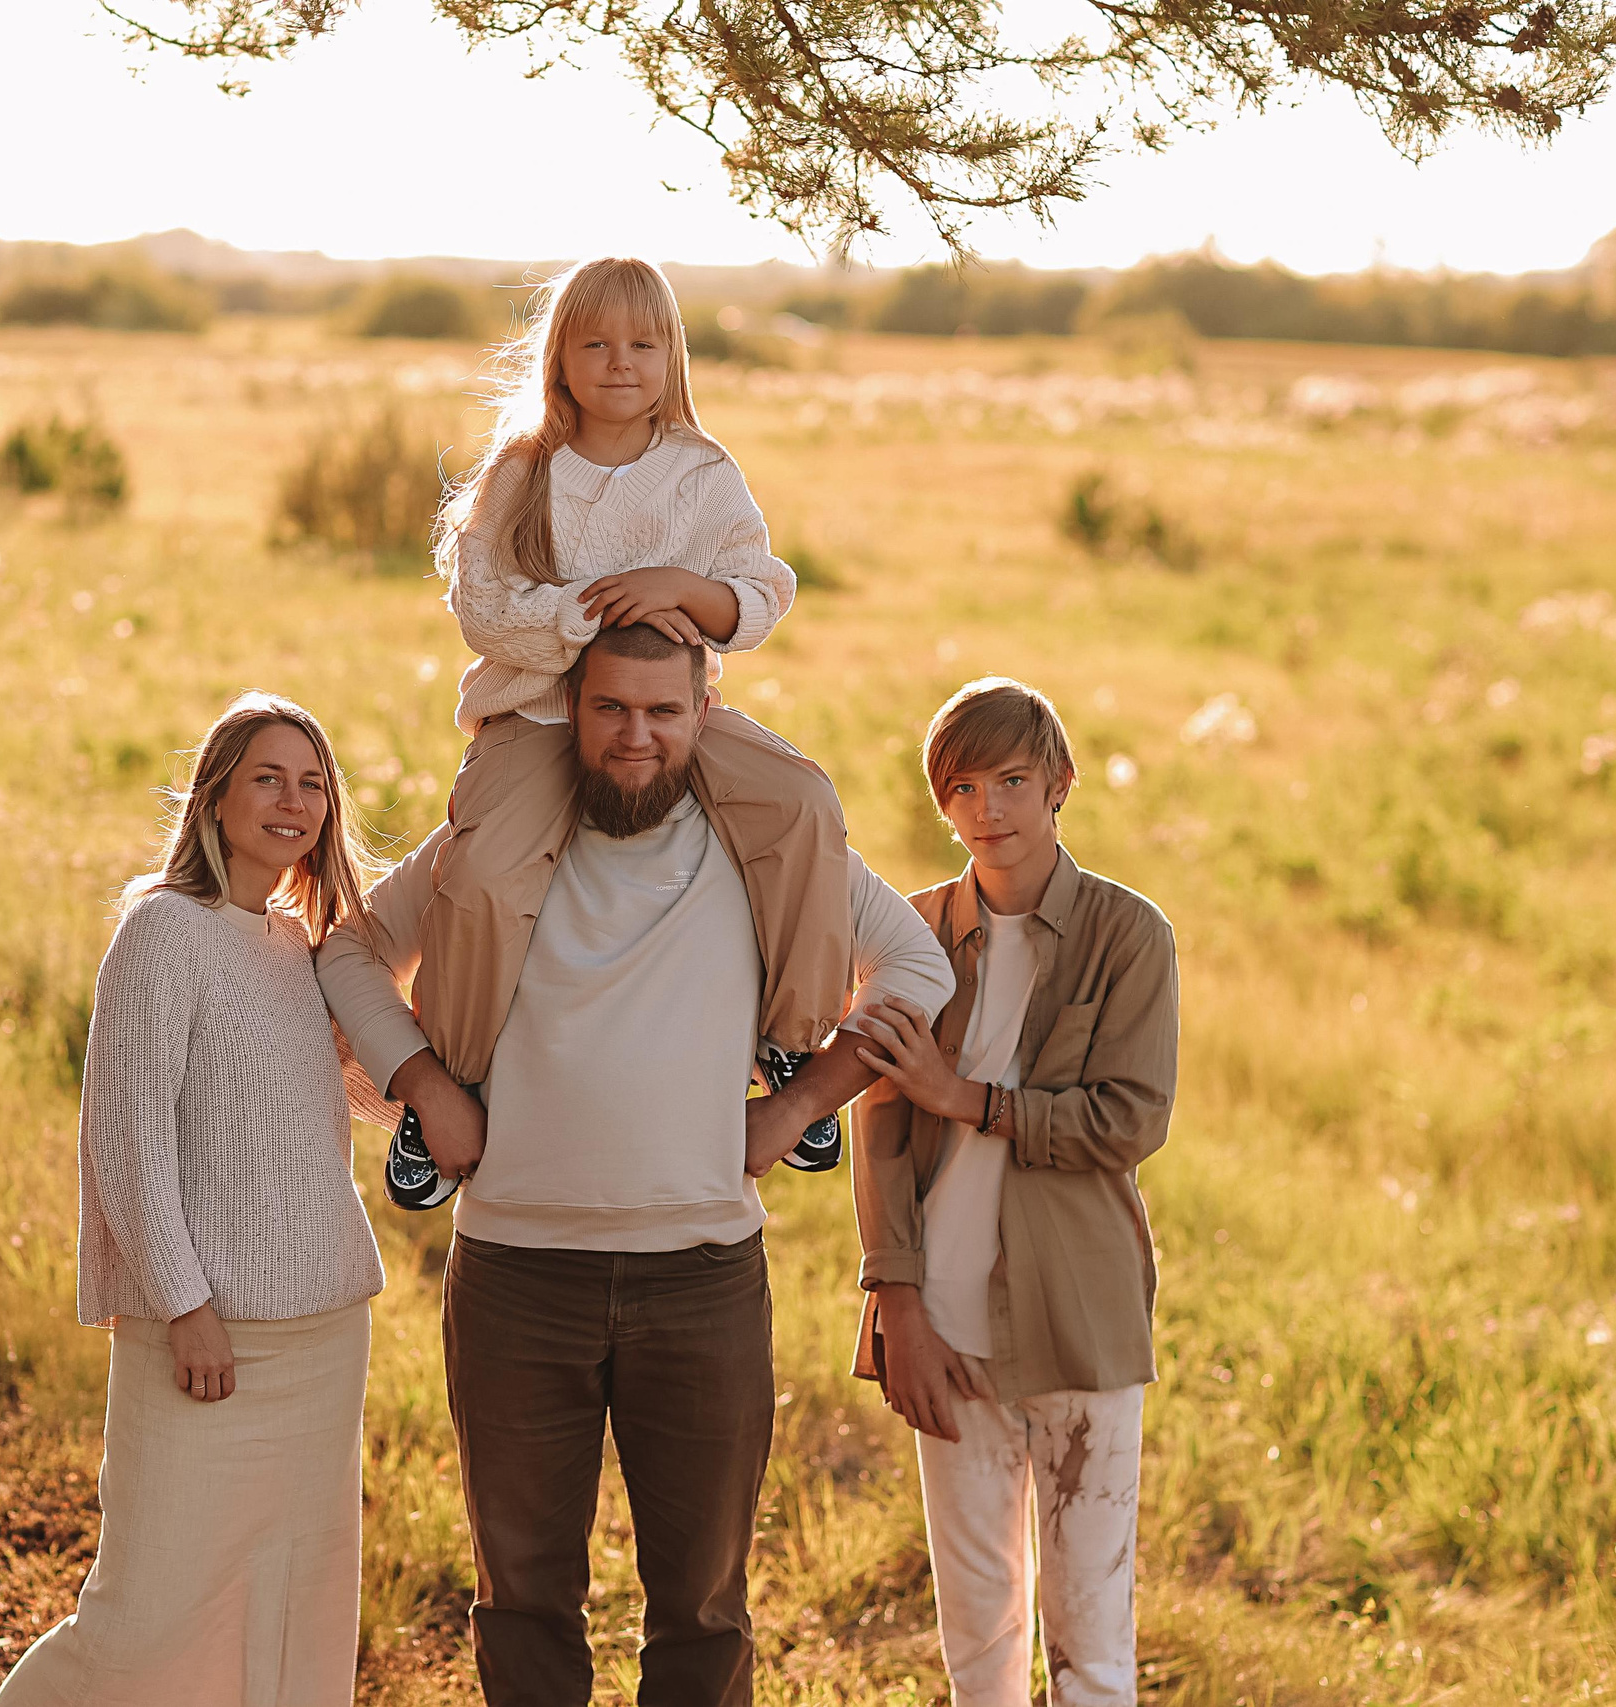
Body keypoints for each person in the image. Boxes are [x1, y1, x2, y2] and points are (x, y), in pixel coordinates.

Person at [318, 623, 956, 1707]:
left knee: (703, 1611)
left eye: (663, 711)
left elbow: (914, 965)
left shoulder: (766, 847)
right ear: (570, 708)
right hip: (516, 1275)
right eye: (611, 707)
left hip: (701, 1277)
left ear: (706, 713)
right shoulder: (498, 839)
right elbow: (348, 949)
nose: (636, 736)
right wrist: (423, 1082)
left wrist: (797, 1105)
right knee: (522, 1600)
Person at [389, 255, 855, 1202]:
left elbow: (761, 592)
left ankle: (791, 1041)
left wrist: (682, 589)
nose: (620, 362)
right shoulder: (524, 472)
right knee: (480, 876)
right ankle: (454, 1075)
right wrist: (595, 611)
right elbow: (483, 607)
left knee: (803, 800)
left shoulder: (701, 471)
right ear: (559, 358)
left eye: (643, 343)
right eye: (595, 343)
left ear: (671, 354)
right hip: (538, 711)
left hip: (676, 716)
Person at [0, 693, 387, 1707]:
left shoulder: (294, 943)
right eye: (268, 778)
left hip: (323, 1336)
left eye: (312, 784)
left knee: (295, 1607)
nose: (293, 801)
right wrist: (185, 1304)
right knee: (145, 1617)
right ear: (215, 797)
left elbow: (353, 1095)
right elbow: (126, 1140)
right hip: (205, 1338)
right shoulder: (163, 932)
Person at [841, 677, 1181, 1707]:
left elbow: (1130, 1120)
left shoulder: (1129, 935)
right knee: (977, 1631)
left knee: (1092, 1635)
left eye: (1012, 782)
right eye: (962, 788)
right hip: (939, 1321)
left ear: (1060, 782)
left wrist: (969, 1099)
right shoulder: (910, 932)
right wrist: (896, 1305)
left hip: (1081, 1317)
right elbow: (879, 1129)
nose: (987, 810)